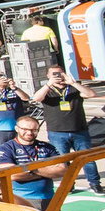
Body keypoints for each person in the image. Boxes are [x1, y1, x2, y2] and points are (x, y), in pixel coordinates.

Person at [31, 64, 103, 194]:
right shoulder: (47, 90)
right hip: (57, 131)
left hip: (79, 129)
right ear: (48, 76)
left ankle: (95, 183)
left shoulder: (73, 87)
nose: (57, 77)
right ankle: (69, 184)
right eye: (54, 74)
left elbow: (91, 94)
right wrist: (49, 84)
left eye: (59, 73)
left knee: (87, 159)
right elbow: (36, 98)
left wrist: (73, 83)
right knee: (63, 161)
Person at [0, 115, 67, 209]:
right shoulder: (6, 148)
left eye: (34, 130)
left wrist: (31, 169)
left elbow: (62, 170)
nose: (29, 132)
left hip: (49, 198)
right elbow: (12, 174)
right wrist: (47, 171)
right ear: (16, 129)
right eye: (25, 129)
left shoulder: (47, 147)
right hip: (21, 199)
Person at [0, 71, 30, 149]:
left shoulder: (14, 91)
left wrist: (14, 88)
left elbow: (26, 98)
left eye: (2, 77)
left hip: (18, 128)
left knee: (21, 151)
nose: (1, 80)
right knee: (3, 152)